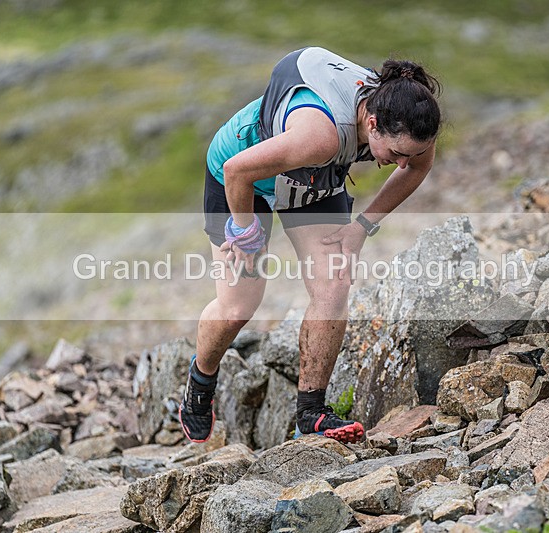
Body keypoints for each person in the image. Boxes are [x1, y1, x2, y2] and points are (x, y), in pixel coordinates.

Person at [179, 46, 442, 444]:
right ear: (371, 123)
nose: (403, 162)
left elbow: (419, 166)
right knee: (238, 307)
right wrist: (245, 232)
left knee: (333, 283)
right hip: (244, 176)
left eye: (412, 152)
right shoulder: (320, 135)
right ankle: (201, 379)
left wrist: (362, 227)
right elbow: (238, 172)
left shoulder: (409, 117)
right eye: (397, 154)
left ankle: (311, 412)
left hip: (314, 181)